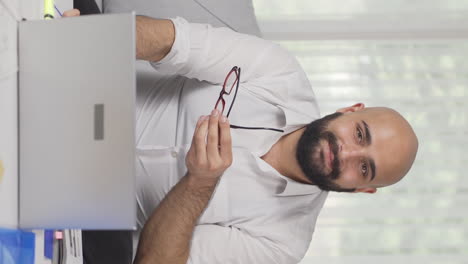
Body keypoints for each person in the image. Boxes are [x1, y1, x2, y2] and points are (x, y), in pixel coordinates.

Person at [65, 10, 418, 264]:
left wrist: (200, 183)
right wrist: (94, 40)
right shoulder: (280, 72)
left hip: (81, 207)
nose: (347, 153)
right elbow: (173, 42)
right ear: (350, 109)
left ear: (362, 189)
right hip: (86, 92)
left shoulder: (282, 245)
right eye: (360, 133)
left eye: (365, 168)